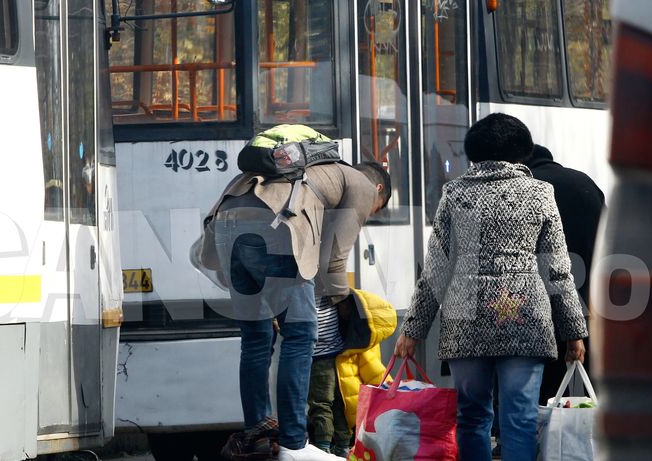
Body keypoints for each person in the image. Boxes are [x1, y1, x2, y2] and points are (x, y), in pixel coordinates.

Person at [394, 113, 588, 461]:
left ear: (474, 152)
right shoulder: (541, 194)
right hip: (526, 320)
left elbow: (435, 271)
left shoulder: (454, 194)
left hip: (464, 321)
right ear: (522, 151)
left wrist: (413, 330)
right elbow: (558, 270)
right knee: (520, 417)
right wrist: (573, 330)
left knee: (472, 416)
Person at [200, 160, 391, 461]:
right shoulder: (363, 186)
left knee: (256, 339)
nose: (367, 215)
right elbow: (333, 263)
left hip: (227, 225)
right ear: (378, 189)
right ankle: (292, 442)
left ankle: (257, 435)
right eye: (374, 210)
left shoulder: (310, 174)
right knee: (301, 336)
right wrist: (344, 306)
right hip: (275, 231)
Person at [525, 144, 605, 405]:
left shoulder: (530, 187)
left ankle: (548, 438)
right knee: (588, 375)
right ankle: (587, 436)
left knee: (547, 385)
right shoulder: (586, 183)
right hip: (590, 294)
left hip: (543, 298)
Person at [308, 288, 396, 457]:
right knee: (339, 404)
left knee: (321, 404)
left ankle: (323, 446)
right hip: (339, 357)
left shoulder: (311, 288)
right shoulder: (357, 340)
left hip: (319, 357)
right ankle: (342, 447)